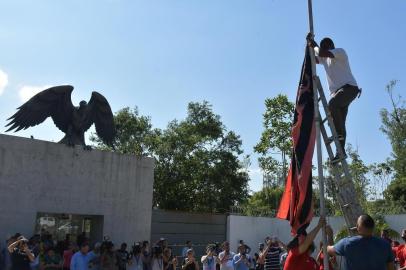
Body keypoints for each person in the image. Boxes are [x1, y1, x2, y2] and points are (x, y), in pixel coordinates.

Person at [307, 34, 361, 161]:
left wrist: (313, 43)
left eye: (326, 46)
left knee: (332, 105)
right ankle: (341, 152)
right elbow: (314, 58)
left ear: (331, 46)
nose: (325, 48)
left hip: (349, 89)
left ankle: (339, 137)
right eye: (323, 46)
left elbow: (319, 52)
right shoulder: (325, 59)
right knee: (341, 121)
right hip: (338, 93)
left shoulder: (339, 52)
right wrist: (308, 47)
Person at [327, 214, 395, 270]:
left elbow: (328, 250)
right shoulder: (385, 244)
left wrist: (330, 234)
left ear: (357, 227)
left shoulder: (347, 243)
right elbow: (391, 268)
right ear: (373, 227)